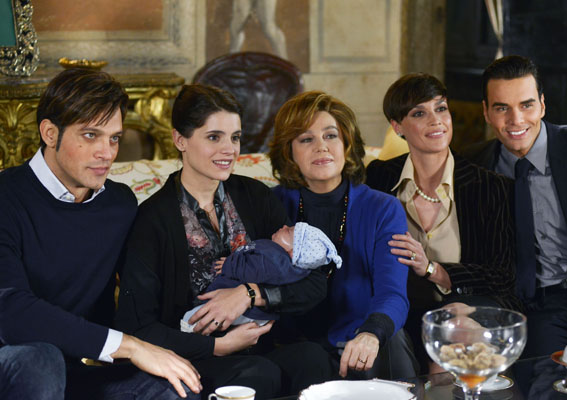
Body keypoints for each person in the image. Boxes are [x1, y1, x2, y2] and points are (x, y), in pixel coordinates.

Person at [114, 84, 333, 399]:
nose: (230, 150)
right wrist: (217, 346)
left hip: (261, 347)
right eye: (214, 137)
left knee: (312, 358)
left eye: (235, 137)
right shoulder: (152, 220)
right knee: (258, 373)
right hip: (192, 357)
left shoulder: (255, 196)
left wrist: (250, 294)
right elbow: (137, 327)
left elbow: (315, 284)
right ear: (180, 139)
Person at [0, 68, 201, 400]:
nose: (107, 153)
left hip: (85, 368)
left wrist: (243, 294)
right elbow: (10, 312)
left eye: (114, 138)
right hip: (17, 364)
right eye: (91, 135)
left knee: (176, 385)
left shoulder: (119, 204)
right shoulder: (6, 197)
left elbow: (149, 288)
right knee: (41, 360)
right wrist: (130, 347)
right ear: (50, 133)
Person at [365, 74, 519, 371]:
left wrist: (432, 270)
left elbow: (503, 275)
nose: (436, 120)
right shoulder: (379, 176)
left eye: (441, 108)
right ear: (397, 127)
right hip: (401, 310)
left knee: (454, 330)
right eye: (419, 113)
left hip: (469, 306)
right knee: (384, 337)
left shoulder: (490, 186)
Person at [268, 90, 419, 380]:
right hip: (296, 348)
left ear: (347, 144)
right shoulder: (271, 204)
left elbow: (393, 293)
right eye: (306, 139)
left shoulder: (383, 208)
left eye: (331, 136)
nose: (321, 147)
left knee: (390, 342)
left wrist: (371, 334)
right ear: (289, 151)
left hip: (361, 339)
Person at [463, 55, 567, 359]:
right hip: (542, 307)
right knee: (545, 378)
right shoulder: (472, 166)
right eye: (502, 108)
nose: (516, 120)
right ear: (486, 112)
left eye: (526, 105)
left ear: (542, 105)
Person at [182, 222, 342, 328]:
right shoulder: (278, 255)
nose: (284, 226)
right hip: (247, 311)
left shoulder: (275, 261)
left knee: (203, 316)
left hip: (246, 312)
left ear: (293, 252)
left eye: (288, 231)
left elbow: (252, 271)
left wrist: (230, 265)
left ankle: (188, 327)